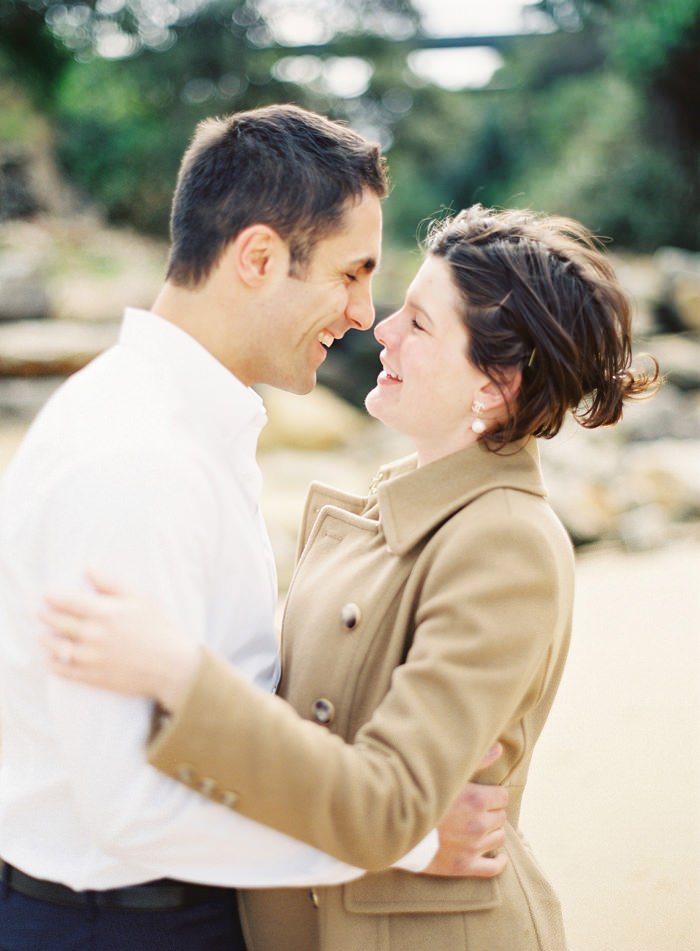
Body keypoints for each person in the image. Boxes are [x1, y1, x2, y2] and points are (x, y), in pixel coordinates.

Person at [40, 203, 660, 950]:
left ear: (495, 385)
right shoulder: (384, 508)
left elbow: (387, 805)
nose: (381, 328)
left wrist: (176, 671)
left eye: (421, 324)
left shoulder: (505, 544)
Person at [0, 107, 507, 951]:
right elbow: (132, 810)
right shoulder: (137, 458)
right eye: (351, 274)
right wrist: (403, 837)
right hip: (119, 924)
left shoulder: (185, 423)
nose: (361, 313)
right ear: (260, 258)